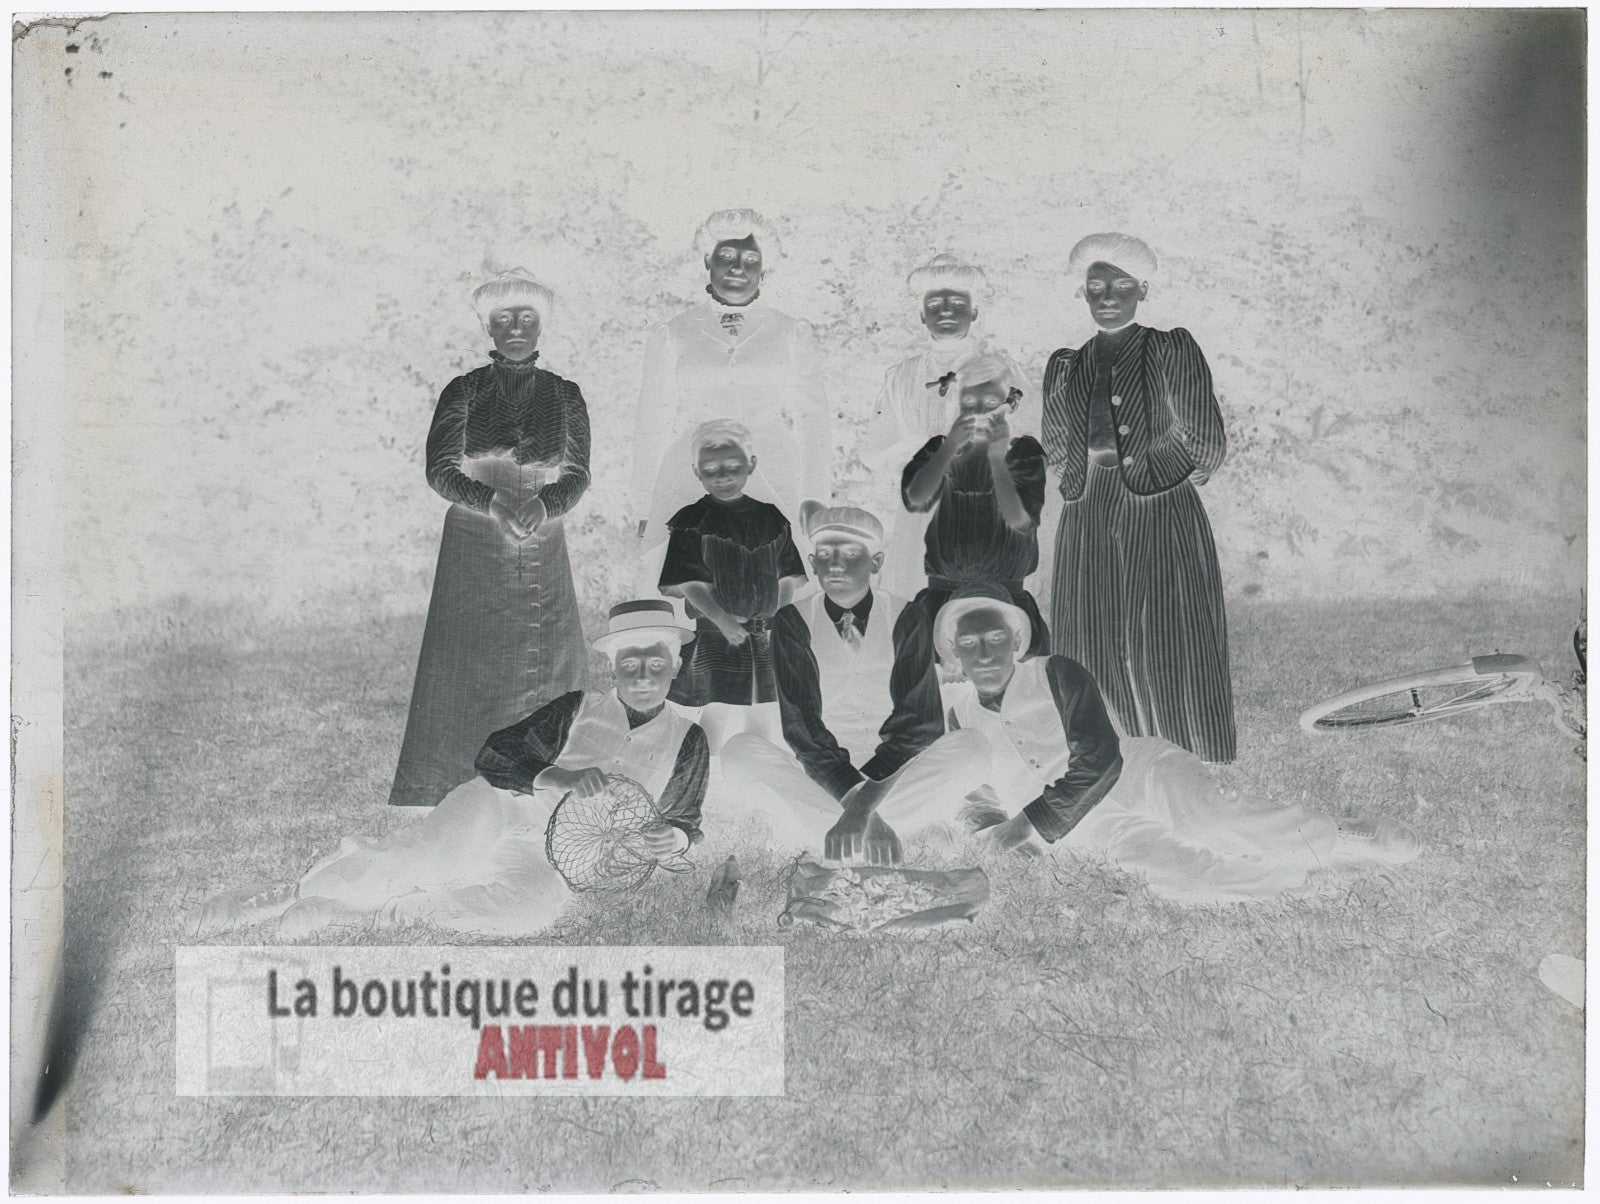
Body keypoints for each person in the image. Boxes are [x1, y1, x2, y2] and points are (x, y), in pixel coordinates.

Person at [853, 584, 1418, 902]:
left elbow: (1099, 756)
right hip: (1077, 825)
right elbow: (975, 793)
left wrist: (1027, 823)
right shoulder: (954, 710)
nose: (984, 653)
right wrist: (996, 830)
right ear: (952, 654)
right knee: (1175, 872)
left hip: (1140, 772)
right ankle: (1312, 881)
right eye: (969, 642)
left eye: (996, 637)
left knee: (1209, 818)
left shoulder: (1059, 672)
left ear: (1016, 641)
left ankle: (1341, 836)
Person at [185, 601, 707, 939]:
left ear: (676, 666)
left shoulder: (687, 738)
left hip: (551, 856)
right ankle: (283, 895)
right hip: (501, 807)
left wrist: (675, 838)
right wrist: (561, 778)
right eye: (630, 665)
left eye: (656, 664)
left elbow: (683, 817)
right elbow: (496, 755)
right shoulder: (578, 706)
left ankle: (367, 916)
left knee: (528, 909)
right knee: (423, 855)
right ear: (612, 667)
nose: (643, 676)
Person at [388, 269, 592, 808]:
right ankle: (458, 785)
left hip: (542, 534)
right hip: (477, 532)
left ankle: (543, 779)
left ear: (541, 325)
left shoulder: (565, 395)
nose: (516, 327)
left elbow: (577, 473)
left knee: (545, 649)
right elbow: (440, 470)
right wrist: (493, 502)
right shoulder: (464, 390)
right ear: (489, 327)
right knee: (472, 652)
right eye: (505, 318)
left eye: (526, 317)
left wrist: (546, 503)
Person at [1041, 233, 1236, 763]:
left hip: (1161, 500)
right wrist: (1083, 478)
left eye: (1122, 286)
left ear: (1143, 290)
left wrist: (1169, 474)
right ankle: (1107, 750)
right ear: (1082, 292)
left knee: (1166, 621)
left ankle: (1186, 750)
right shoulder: (1066, 364)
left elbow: (1205, 436)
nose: (1108, 297)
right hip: (1088, 504)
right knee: (1092, 623)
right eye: (1096, 287)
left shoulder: (1169, 348)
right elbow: (1056, 444)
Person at [631, 208, 832, 596]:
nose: (738, 267)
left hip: (773, 470)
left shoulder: (792, 332)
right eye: (726, 255)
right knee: (691, 587)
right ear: (708, 260)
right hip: (693, 473)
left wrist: (814, 494)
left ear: (763, 269)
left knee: (780, 589)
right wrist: (645, 504)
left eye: (750, 258)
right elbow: (651, 420)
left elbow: (813, 417)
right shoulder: (672, 333)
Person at [723, 503, 947, 834]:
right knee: (738, 751)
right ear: (813, 563)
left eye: (851, 553)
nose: (836, 564)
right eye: (825, 554)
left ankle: (833, 826)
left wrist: (863, 803)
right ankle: (882, 828)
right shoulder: (792, 620)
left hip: (895, 774)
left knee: (972, 748)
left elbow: (919, 724)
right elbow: (801, 726)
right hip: (822, 773)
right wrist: (852, 794)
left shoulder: (907, 616)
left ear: (876, 561)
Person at [860, 253, 1033, 598]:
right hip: (926, 499)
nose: (946, 311)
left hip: (986, 500)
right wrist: (928, 453)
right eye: (935, 304)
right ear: (922, 314)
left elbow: (1029, 432)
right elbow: (878, 447)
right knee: (918, 596)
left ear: (975, 311)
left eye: (957, 303)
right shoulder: (903, 375)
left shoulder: (1001, 370)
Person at [659, 420, 809, 752]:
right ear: (697, 471)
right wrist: (720, 618)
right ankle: (708, 774)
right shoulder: (692, 520)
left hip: (765, 634)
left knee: (763, 711)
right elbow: (687, 580)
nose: (722, 475)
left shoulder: (771, 517)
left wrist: (782, 620)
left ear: (751, 464)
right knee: (718, 710)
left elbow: (787, 574)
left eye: (732, 465)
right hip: (719, 632)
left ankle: (756, 773)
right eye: (711, 468)